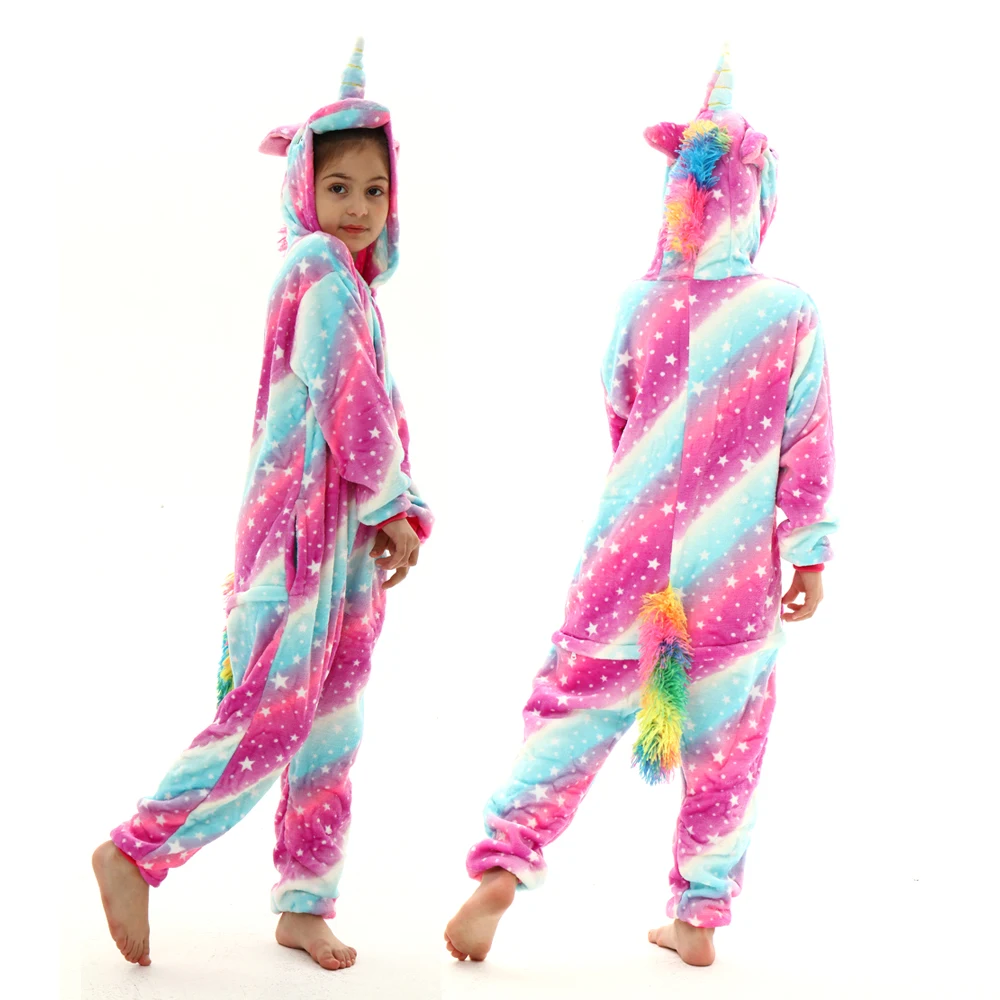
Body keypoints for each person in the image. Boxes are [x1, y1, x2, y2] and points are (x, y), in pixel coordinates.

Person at [444, 44, 837, 969]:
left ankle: (505, 862)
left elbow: (619, 416)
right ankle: (698, 915)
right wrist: (809, 551)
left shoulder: (639, 303)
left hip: (625, 555)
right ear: (757, 199)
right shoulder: (789, 312)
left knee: (572, 709)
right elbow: (808, 442)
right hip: (733, 569)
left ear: (677, 198)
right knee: (729, 741)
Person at [92, 37, 432, 972]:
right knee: (269, 714)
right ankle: (137, 850)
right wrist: (392, 502)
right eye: (338, 187)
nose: (358, 208)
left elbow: (382, 409)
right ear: (302, 190)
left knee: (333, 727)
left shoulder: (355, 288)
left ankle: (305, 902)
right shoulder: (317, 269)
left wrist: (400, 508)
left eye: (374, 190)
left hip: (344, 545)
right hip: (294, 546)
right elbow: (348, 401)